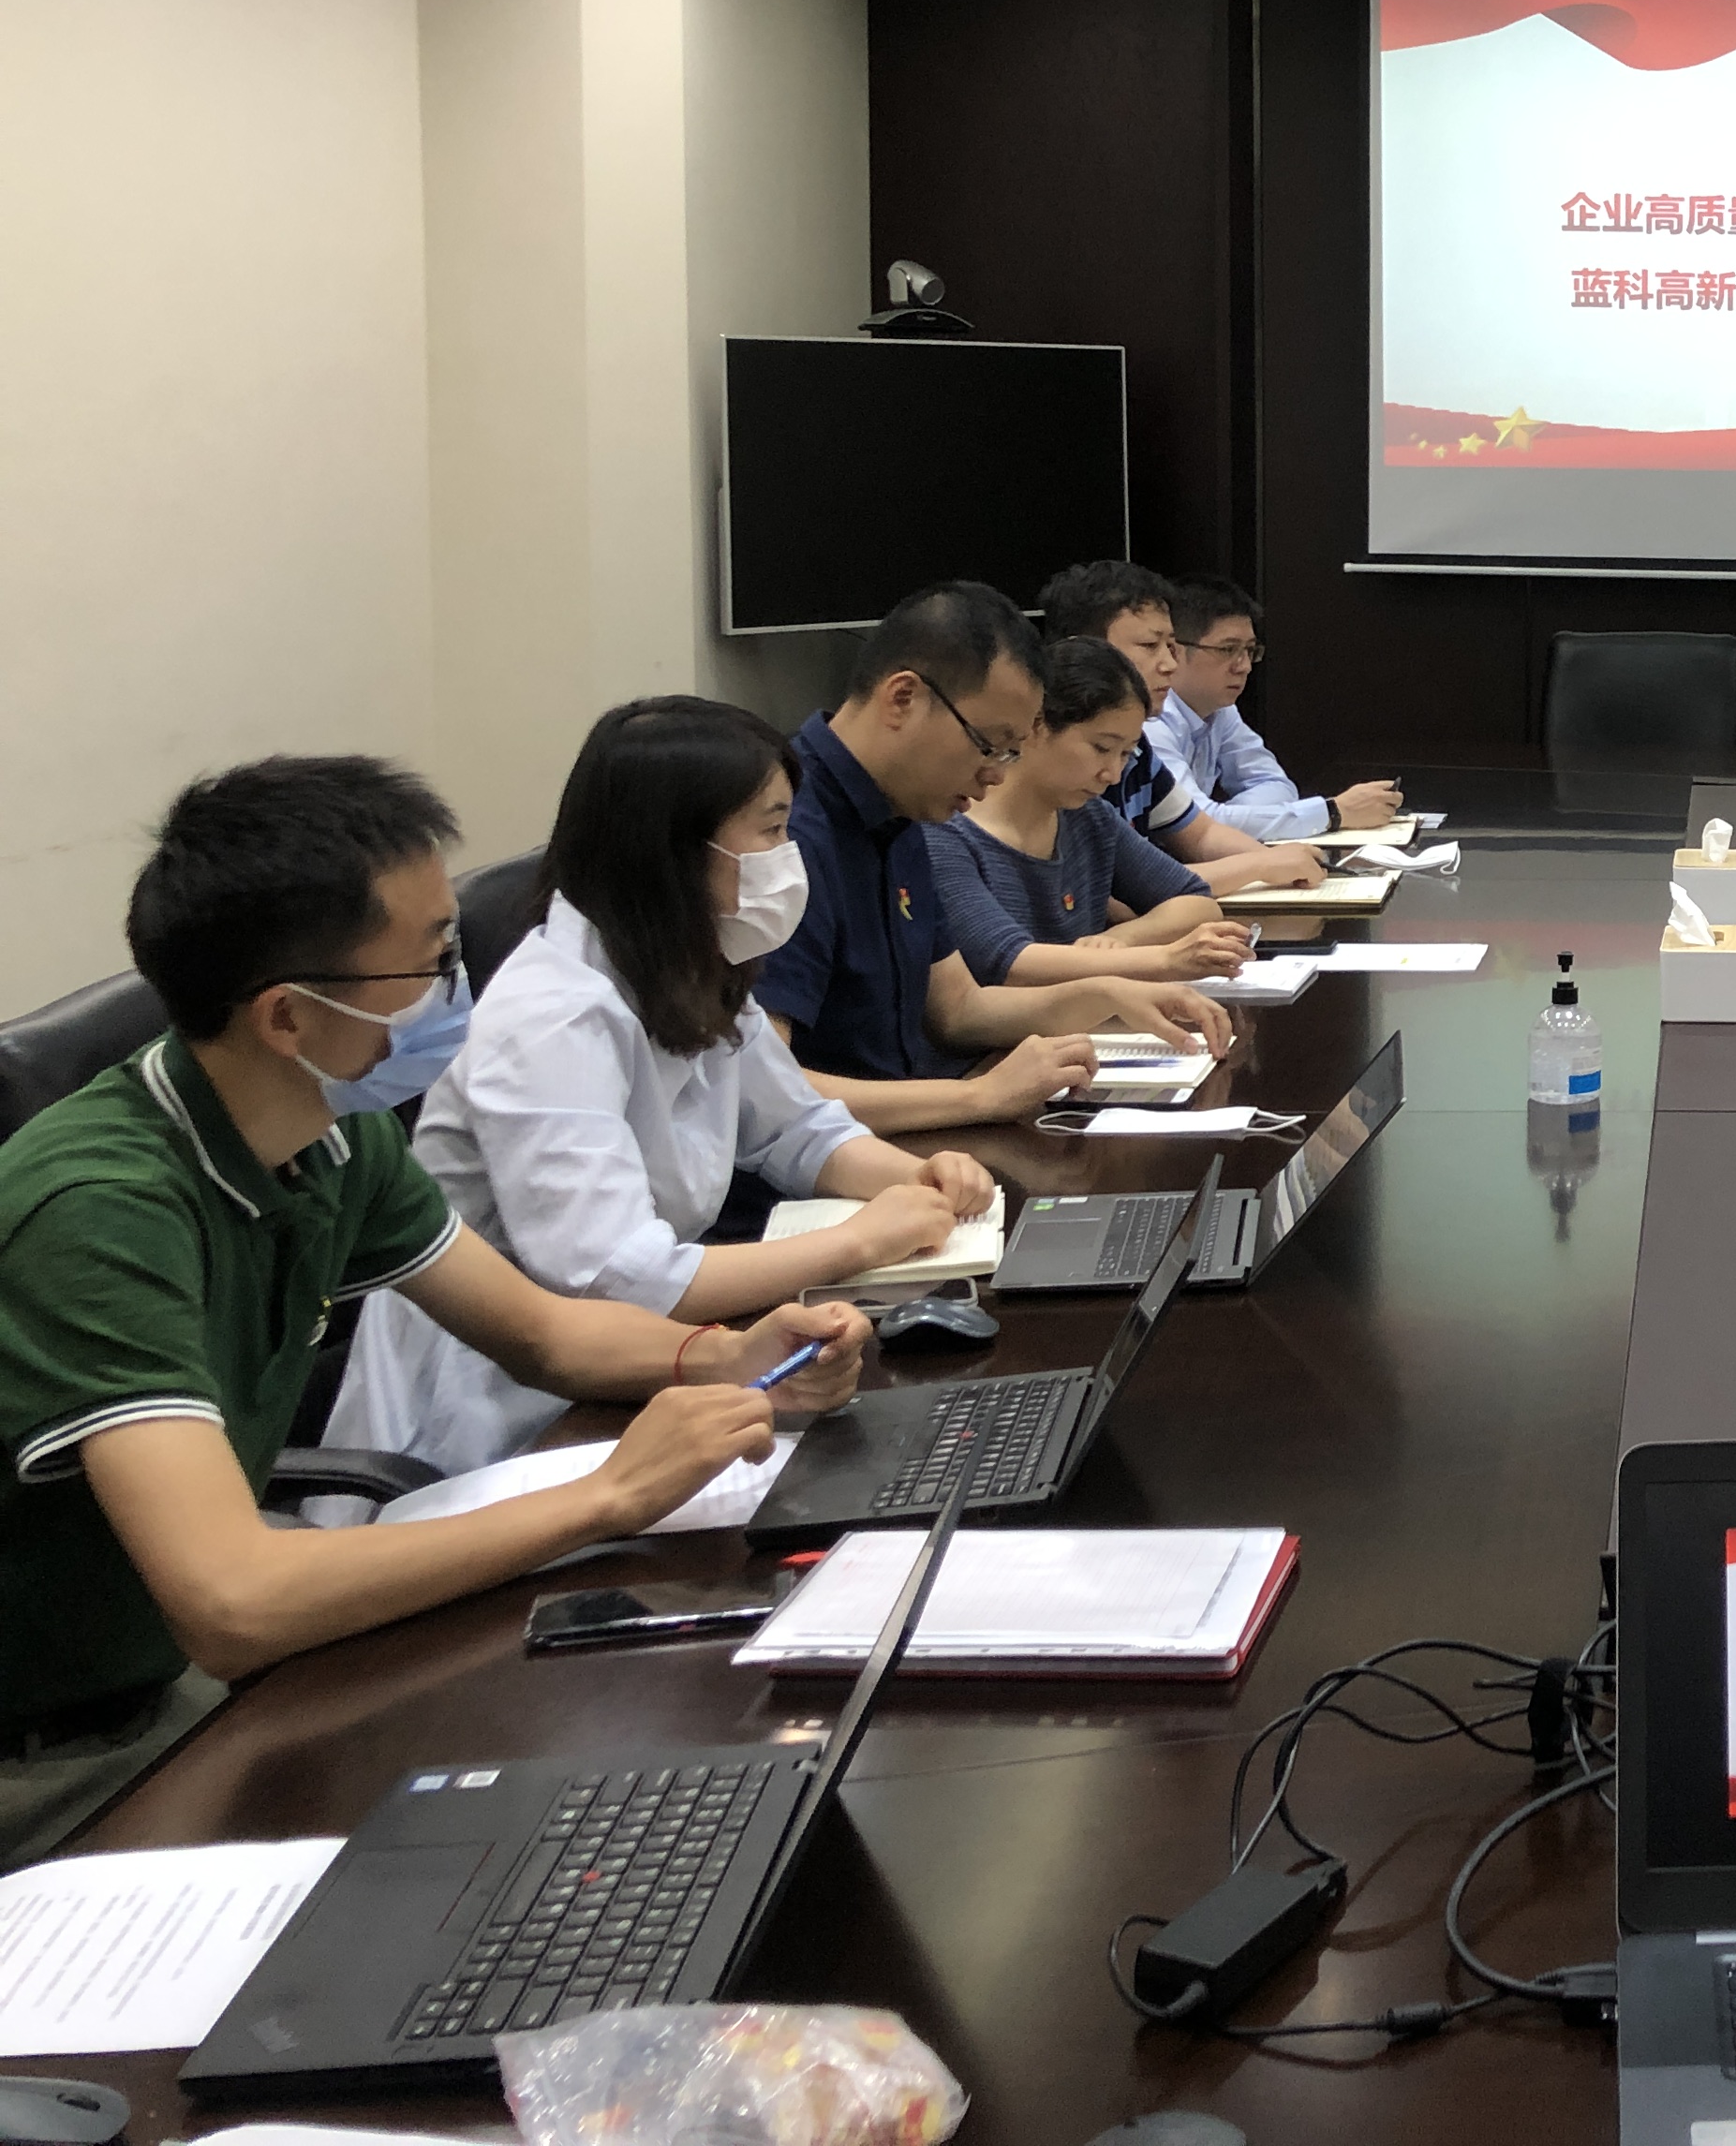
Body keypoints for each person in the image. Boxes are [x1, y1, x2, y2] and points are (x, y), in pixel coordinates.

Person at [0, 758, 871, 1867]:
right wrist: (609, 1494)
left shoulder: (329, 1130)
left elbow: (544, 1333)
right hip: (54, 1754)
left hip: (162, 1678)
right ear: (287, 1016)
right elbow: (233, 1599)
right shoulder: (100, 1210)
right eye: (430, 961)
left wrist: (725, 1355)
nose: (457, 986)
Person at [326, 699, 1007, 1479]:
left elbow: (796, 1129)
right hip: (502, 1419)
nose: (788, 859)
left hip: (638, 1370)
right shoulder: (552, 1018)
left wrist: (916, 1179)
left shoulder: (693, 963)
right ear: (673, 849)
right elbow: (619, 1276)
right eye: (770, 831)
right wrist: (858, 1241)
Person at [758, 580, 1236, 1134]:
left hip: (913, 1126)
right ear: (902, 699)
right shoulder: (781, 829)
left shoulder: (905, 812)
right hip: (836, 1158)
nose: (996, 774)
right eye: (990, 744)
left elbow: (959, 1010)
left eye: (1012, 751)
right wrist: (978, 1096)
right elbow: (764, 1091)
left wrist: (1105, 994)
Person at [929, 639, 1254, 989]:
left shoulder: (1090, 818)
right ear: (1036, 726)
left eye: (1125, 754)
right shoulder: (946, 830)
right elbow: (1006, 961)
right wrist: (1161, 959)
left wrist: (1121, 939)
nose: (1112, 774)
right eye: (1102, 748)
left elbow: (1195, 900)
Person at [1033, 561, 1326, 894]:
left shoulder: (1137, 748)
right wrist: (1260, 865)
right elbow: (1135, 890)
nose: (1170, 664)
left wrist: (1280, 861)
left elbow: (1201, 834)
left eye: (1171, 647)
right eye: (1150, 646)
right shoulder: (1063, 767)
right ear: (1082, 650)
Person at [1153, 575, 1405, 843]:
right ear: (1174, 651)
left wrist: (1228, 818)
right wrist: (1332, 813)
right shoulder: (1150, 722)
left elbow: (1276, 786)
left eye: (1250, 650)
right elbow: (1193, 824)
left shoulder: (1221, 711)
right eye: (1227, 649)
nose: (1244, 666)